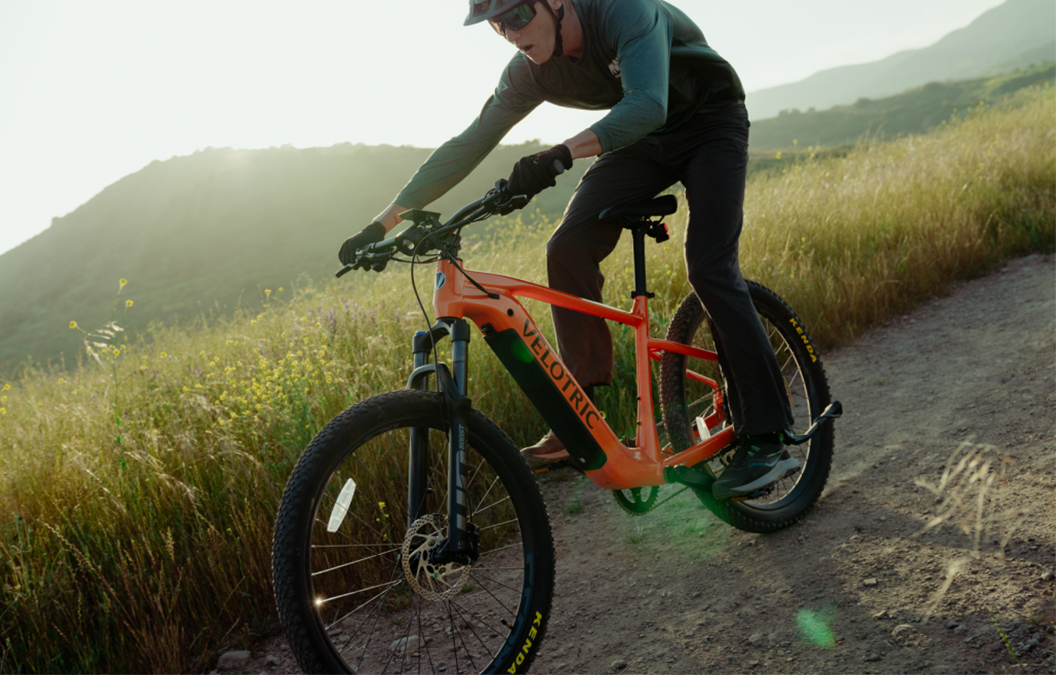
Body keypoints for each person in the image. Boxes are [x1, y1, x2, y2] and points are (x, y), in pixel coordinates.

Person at [338, 0, 796, 500]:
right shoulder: (528, 72)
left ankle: (770, 437)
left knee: (708, 266)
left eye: (516, 17)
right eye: (496, 25)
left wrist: (560, 153)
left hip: (710, 122)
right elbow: (470, 142)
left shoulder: (624, 12)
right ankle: (582, 417)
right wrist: (381, 223)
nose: (509, 33)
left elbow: (647, 103)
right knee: (566, 248)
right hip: (641, 143)